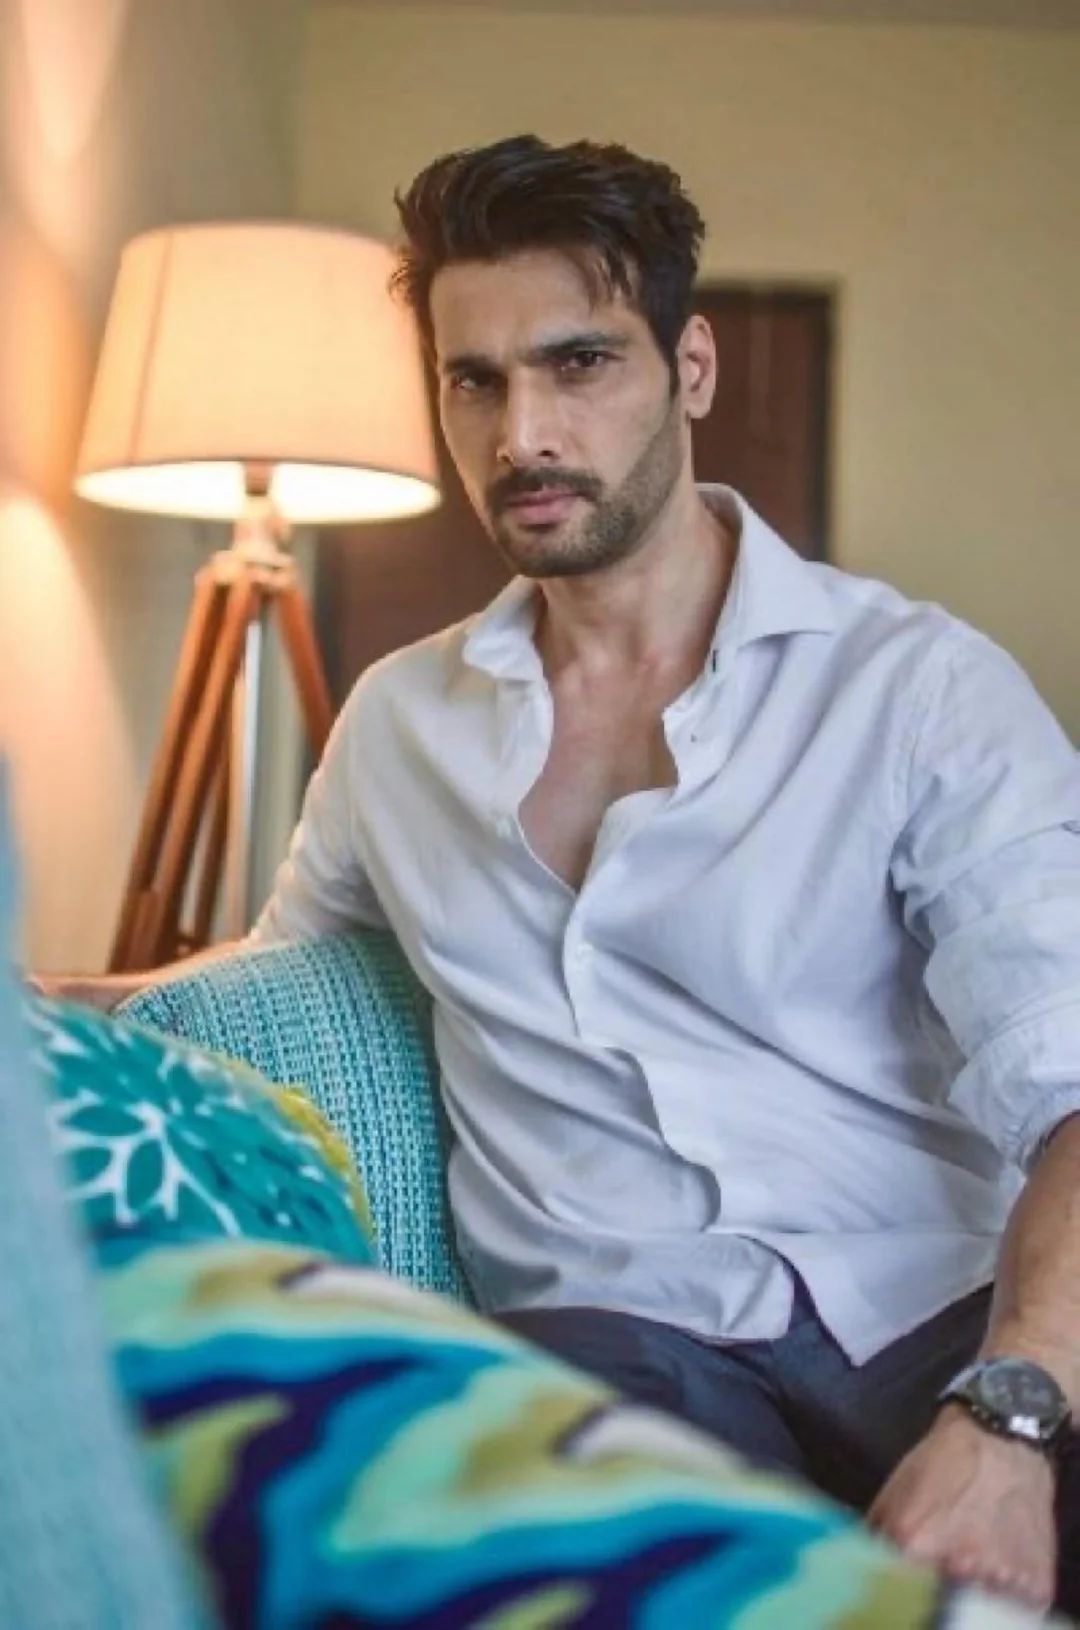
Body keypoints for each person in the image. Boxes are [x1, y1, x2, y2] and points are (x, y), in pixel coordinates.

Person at [40, 136, 1080, 1615]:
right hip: (618, 1345)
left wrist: (1011, 1411)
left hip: (939, 1314)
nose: (522, 431)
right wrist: (55, 1001)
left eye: (578, 362)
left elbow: (1069, 1081)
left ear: (690, 368)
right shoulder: (398, 726)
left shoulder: (917, 690)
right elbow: (275, 972)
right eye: (474, 380)